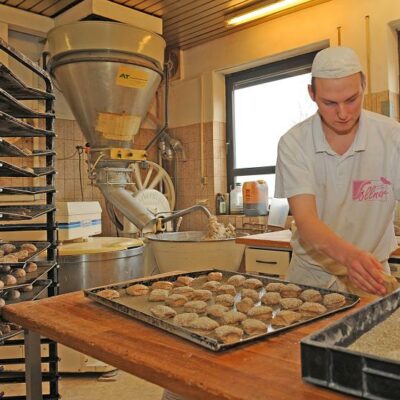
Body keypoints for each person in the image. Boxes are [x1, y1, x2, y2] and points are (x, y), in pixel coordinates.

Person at [275, 46, 400, 296]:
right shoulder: (294, 142)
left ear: (364, 85)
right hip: (312, 276)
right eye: (329, 103)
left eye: (351, 100)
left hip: (372, 276)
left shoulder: (392, 137)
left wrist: (359, 263)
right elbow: (306, 221)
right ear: (312, 94)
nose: (343, 114)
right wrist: (349, 257)